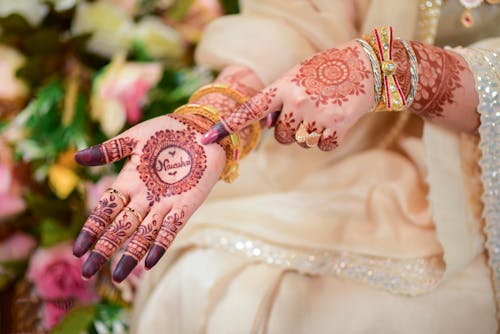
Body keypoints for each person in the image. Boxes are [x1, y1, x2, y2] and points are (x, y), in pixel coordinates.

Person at [73, 0, 500, 332]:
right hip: (361, 145)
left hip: (479, 171)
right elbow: (300, 16)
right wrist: (209, 119)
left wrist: (403, 71)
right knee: (204, 280)